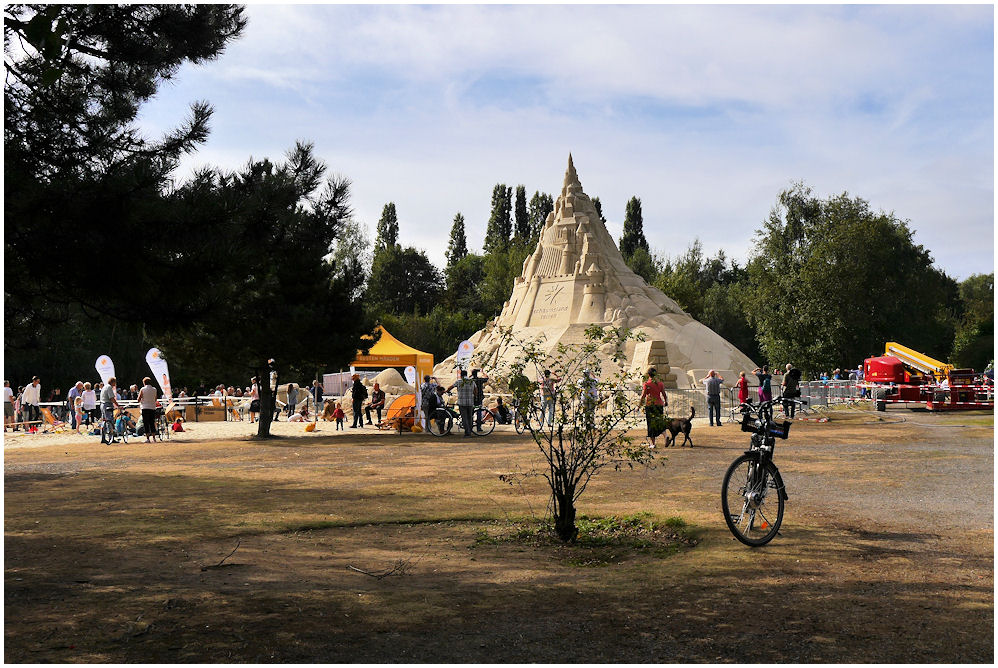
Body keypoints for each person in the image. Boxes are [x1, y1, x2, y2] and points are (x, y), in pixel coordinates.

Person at [638, 367, 668, 448]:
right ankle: (665, 436)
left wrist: (639, 406)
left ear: (648, 375)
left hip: (650, 405)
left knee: (651, 424)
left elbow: (643, 396)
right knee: (660, 422)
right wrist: (666, 402)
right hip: (659, 404)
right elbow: (664, 394)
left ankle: (653, 444)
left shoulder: (647, 384)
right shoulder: (660, 384)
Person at [447, 370, 477, 437]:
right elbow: (475, 390)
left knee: (464, 418)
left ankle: (467, 433)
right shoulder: (472, 381)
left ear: (461, 375)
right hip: (470, 402)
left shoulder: (459, 381)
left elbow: (450, 387)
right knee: (470, 417)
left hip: (462, 402)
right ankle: (470, 430)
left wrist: (447, 391)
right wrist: (473, 396)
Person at [137, 376, 160, 443]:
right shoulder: (154, 389)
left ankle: (147, 438)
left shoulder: (142, 389)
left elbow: (138, 399)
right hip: (152, 407)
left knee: (146, 423)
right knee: (152, 422)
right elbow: (155, 399)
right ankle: (154, 438)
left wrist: (142, 400)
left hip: (145, 407)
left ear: (144, 383)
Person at [100, 377, 120, 442]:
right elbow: (111, 398)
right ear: (113, 382)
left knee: (104, 421)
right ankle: (111, 438)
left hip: (102, 404)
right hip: (107, 405)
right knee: (110, 421)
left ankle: (103, 438)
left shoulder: (104, 387)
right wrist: (118, 405)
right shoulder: (109, 387)